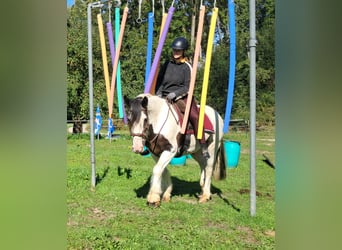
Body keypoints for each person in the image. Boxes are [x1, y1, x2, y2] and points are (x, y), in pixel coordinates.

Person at [155, 37, 210, 159]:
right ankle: (147, 144)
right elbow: (159, 81)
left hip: (182, 96)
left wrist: (175, 94)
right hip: (164, 96)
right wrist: (158, 94)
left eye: (178, 50)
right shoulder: (166, 64)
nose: (176, 52)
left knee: (194, 116)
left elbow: (188, 86)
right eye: (174, 50)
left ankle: (202, 143)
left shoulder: (187, 66)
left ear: (183, 51)